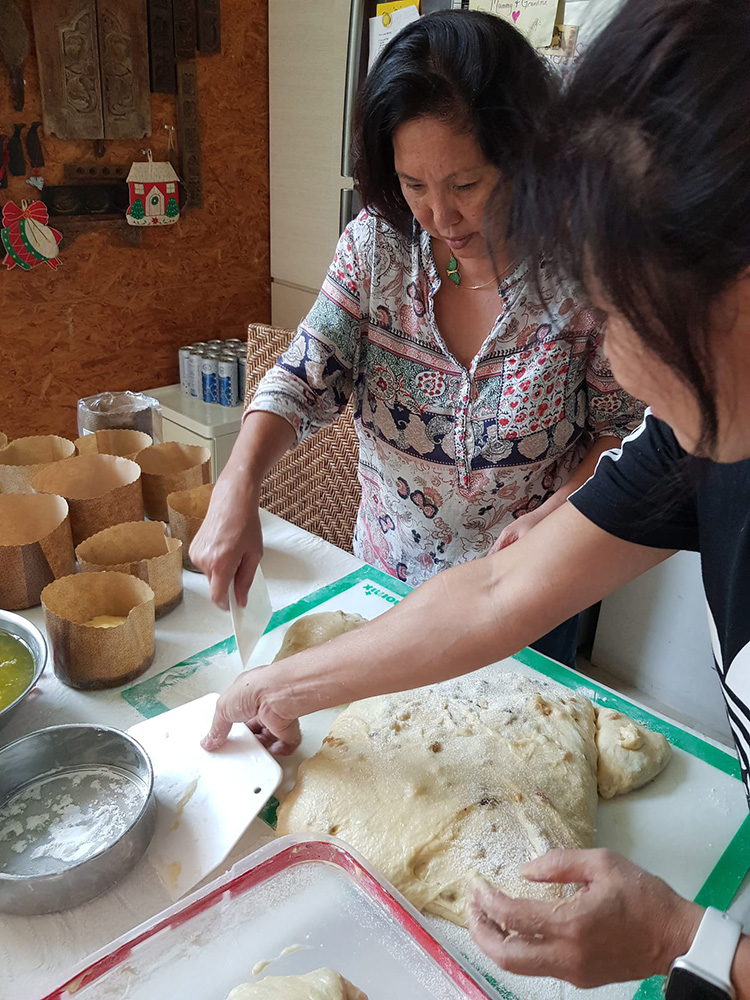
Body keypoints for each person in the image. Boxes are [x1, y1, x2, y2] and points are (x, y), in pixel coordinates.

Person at [202, 0, 750, 991]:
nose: (600, 341)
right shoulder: (693, 441)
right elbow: (497, 597)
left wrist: (691, 937)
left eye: (611, 290)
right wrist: (268, 687)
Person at [190, 11, 643, 668]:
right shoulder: (379, 249)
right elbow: (302, 375)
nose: (439, 215)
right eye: (413, 184)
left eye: (467, 184)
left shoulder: (582, 274)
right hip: (388, 593)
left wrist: (556, 514)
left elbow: (618, 433)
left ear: (527, 156)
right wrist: (236, 486)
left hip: (530, 599)